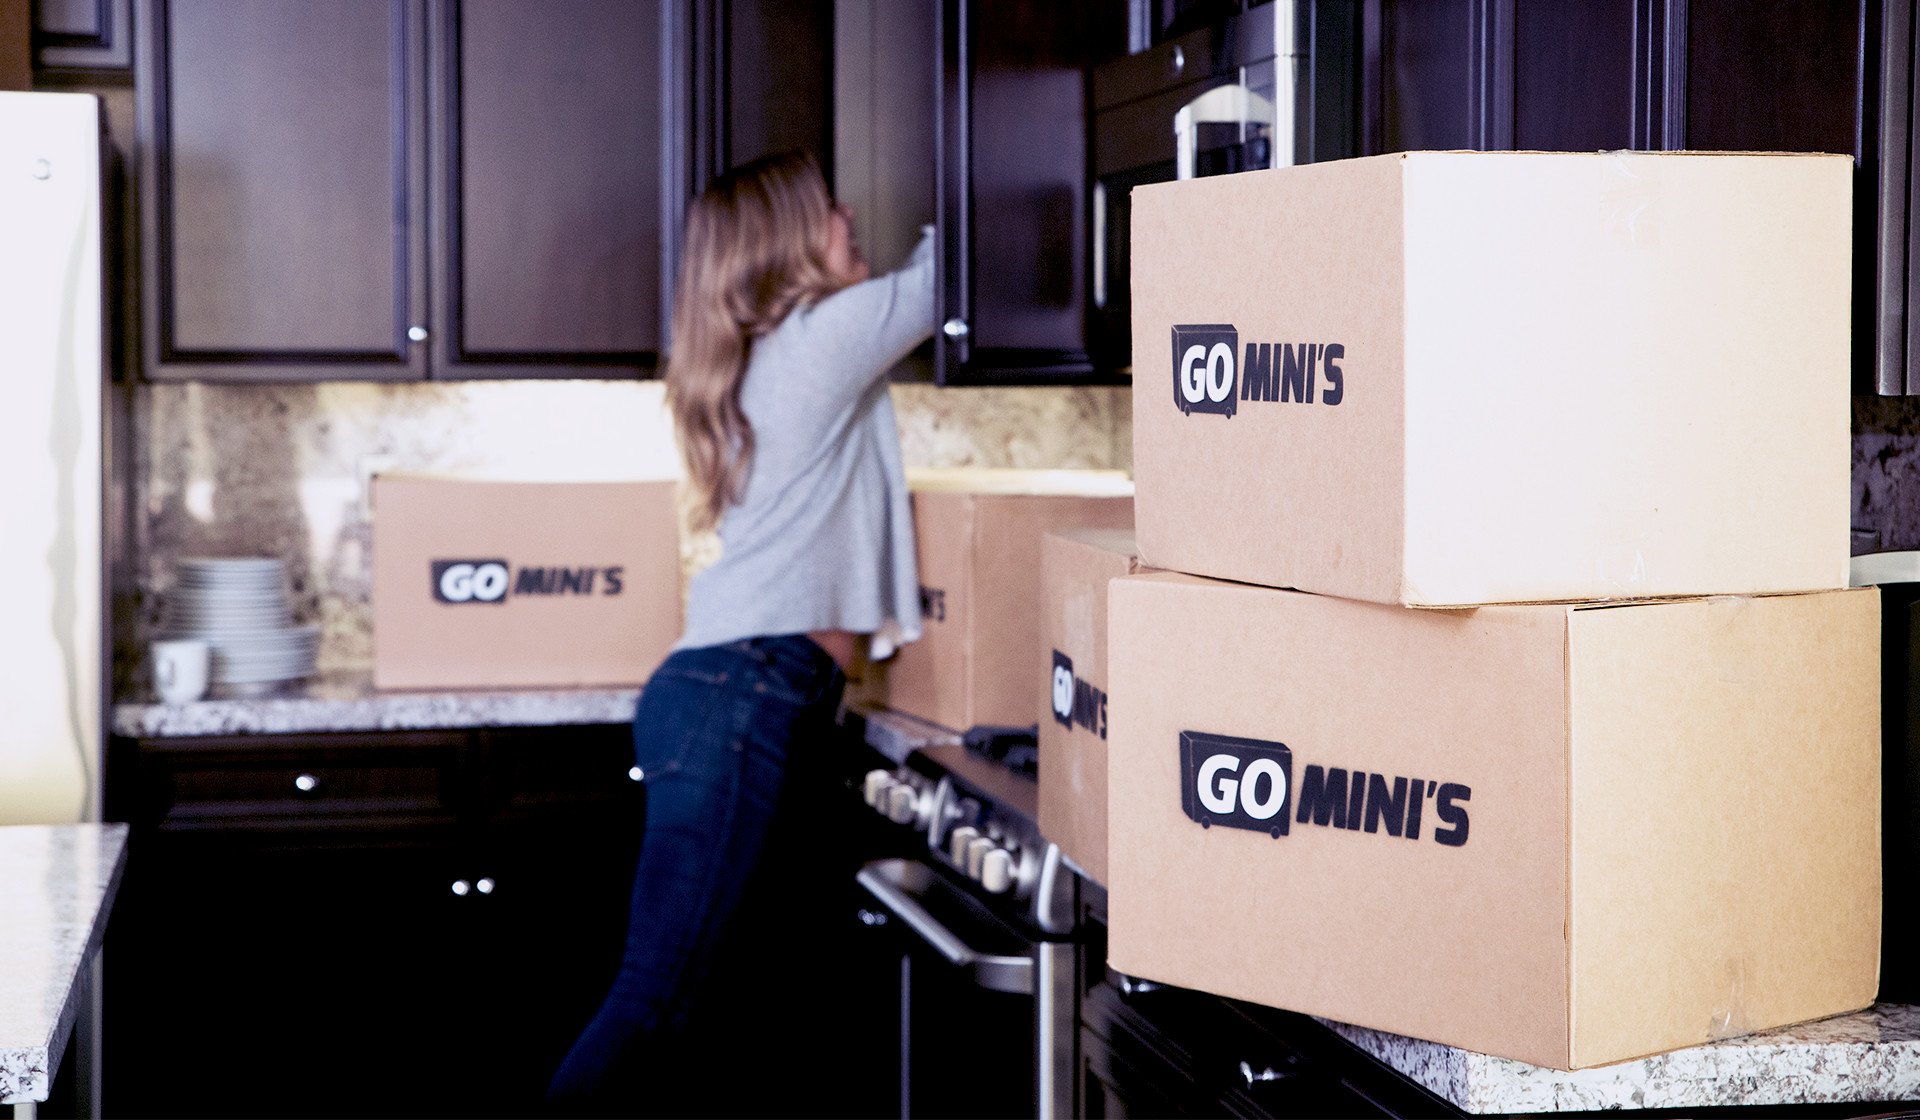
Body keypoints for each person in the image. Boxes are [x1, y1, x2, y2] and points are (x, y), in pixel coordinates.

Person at [547, 150, 934, 1113]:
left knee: (724, 1005)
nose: (851, 216)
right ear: (789, 241)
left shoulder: (776, 353)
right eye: (830, 208)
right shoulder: (818, 338)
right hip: (745, 694)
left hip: (749, 693)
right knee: (657, 1001)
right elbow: (951, 273)